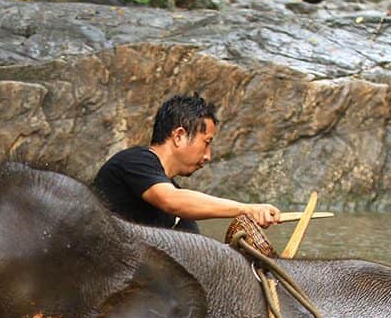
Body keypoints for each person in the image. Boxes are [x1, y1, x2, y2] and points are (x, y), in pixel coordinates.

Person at [92, 93, 280, 234]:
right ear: (179, 136)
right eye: (206, 143)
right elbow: (171, 200)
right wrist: (246, 209)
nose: (208, 156)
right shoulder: (135, 162)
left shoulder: (179, 215)